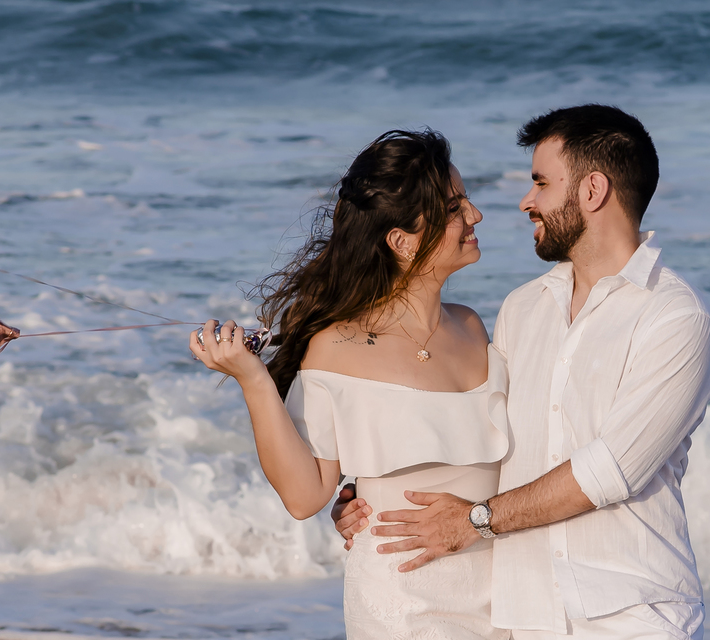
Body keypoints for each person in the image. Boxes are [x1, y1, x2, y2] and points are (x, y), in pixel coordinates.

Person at [332, 105, 710, 640]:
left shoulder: (675, 318)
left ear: (592, 191)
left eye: (541, 183)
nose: (525, 202)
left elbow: (611, 471)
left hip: (633, 615)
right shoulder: (523, 309)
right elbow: (481, 431)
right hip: (523, 619)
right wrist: (377, 492)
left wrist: (474, 521)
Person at [190, 128, 509, 638]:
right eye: (453, 207)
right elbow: (303, 496)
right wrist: (252, 379)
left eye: (466, 200)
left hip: (504, 599)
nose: (475, 215)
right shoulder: (335, 345)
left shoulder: (472, 326)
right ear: (402, 241)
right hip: (402, 602)